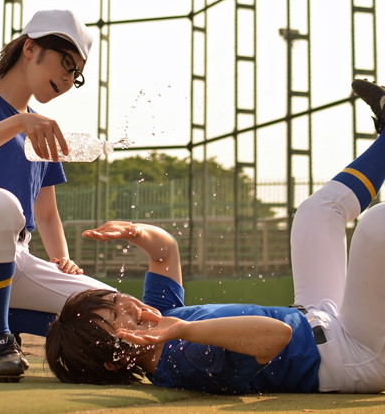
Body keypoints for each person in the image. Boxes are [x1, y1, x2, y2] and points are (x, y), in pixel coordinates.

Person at [45, 79, 385, 394]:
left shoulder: (159, 319)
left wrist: (135, 232)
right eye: (118, 319)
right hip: (356, 356)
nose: (131, 306)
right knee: (375, 226)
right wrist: (181, 329)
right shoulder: (183, 360)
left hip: (321, 319)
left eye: (118, 300)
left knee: (315, 214)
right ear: (117, 359)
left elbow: (164, 252)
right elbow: (276, 336)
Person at [0, 10, 135, 383]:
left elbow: (47, 214)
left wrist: (62, 260)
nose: (68, 79)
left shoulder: (40, 130)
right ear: (31, 47)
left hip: (14, 258)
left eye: (76, 75)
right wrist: (19, 122)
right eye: (66, 64)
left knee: (114, 310)